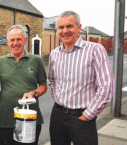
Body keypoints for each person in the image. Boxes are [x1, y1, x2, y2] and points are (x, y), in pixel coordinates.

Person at [48, 11, 114, 145]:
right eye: (61, 27)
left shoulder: (95, 50)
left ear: (79, 27)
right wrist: (57, 100)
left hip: (82, 117)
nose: (65, 31)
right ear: (57, 30)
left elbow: (106, 88)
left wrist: (86, 116)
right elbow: (52, 81)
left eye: (69, 26)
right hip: (57, 115)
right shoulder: (54, 54)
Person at [0, 25, 47, 145]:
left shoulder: (36, 60)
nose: (15, 43)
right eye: (12, 40)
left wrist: (34, 93)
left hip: (30, 120)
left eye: (19, 39)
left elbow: (44, 86)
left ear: (25, 40)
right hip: (5, 122)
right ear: (7, 42)